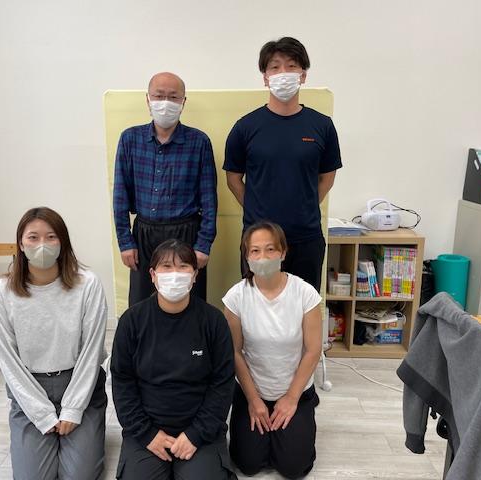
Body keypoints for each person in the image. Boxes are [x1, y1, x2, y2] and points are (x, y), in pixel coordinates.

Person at [0, 207, 108, 480]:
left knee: (79, 476)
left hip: (80, 383)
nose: (42, 245)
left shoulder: (88, 284)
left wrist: (74, 408)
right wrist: (41, 414)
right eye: (33, 237)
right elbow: (9, 362)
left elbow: (91, 353)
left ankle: (86, 432)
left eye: (51, 236)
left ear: (62, 242)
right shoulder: (1, 294)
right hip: (30, 389)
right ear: (20, 244)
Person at [111, 239, 236, 480]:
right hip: (146, 428)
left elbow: (222, 383)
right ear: (152, 275)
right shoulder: (132, 321)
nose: (175, 275)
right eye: (166, 267)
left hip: (200, 428)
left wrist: (196, 434)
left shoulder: (213, 321)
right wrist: (147, 434)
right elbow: (122, 381)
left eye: (183, 267)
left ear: (195, 275)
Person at [224, 37, 342, 291]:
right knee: (257, 305)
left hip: (306, 237)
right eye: (275, 67)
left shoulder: (322, 125)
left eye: (291, 66)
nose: (283, 73)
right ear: (265, 77)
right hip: (259, 239)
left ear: (303, 75)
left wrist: (305, 205)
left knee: (304, 305)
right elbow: (233, 178)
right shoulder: (246, 127)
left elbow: (327, 176)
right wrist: (255, 207)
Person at [222, 221, 323, 479]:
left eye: (270, 249)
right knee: (248, 464)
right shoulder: (236, 297)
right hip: (252, 390)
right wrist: (254, 400)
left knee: (293, 468)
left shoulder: (305, 293)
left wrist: (291, 398)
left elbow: (312, 350)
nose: (263, 257)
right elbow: (234, 352)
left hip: (294, 390)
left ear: (283, 252)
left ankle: (296, 421)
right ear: (246, 256)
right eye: (255, 251)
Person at [113, 72, 217, 306]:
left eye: (173, 97)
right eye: (159, 96)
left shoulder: (199, 142)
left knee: (190, 301)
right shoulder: (130, 139)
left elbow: (209, 201)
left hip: (187, 233)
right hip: (144, 234)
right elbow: (120, 196)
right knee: (141, 303)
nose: (166, 103)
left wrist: (203, 245)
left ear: (183, 102)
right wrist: (125, 242)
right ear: (148, 99)